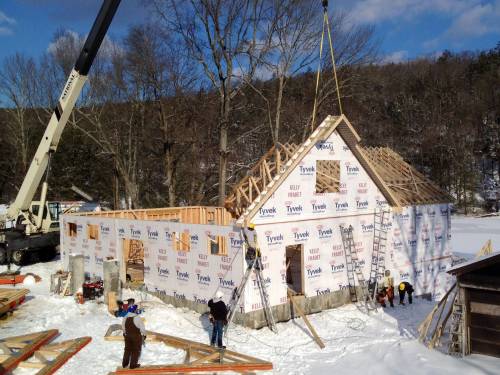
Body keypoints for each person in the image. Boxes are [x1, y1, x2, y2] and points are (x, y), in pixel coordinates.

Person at [122, 304, 146, 369]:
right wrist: (144, 334)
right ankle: (133, 365)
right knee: (135, 350)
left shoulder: (125, 317)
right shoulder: (137, 318)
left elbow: (123, 326)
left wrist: (124, 333)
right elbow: (142, 328)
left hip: (127, 336)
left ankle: (124, 364)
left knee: (127, 349)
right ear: (134, 310)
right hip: (136, 336)